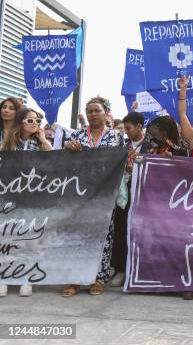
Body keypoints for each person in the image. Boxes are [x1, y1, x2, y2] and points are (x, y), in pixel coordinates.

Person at [62, 96, 126, 297]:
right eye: (89, 111)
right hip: (80, 194)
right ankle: (75, 280)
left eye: (96, 110)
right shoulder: (77, 136)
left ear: (105, 113)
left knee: (103, 237)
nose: (92, 114)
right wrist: (67, 149)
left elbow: (122, 162)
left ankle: (98, 279)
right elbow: (67, 164)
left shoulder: (116, 137)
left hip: (105, 195)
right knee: (77, 236)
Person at [0, 108, 52, 298]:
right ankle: (3, 277)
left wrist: (42, 137)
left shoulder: (41, 144)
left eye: (37, 120)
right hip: (9, 198)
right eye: (29, 120)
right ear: (20, 122)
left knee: (30, 238)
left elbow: (54, 161)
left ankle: (26, 278)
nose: (34, 123)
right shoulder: (8, 144)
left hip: (33, 199)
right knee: (6, 237)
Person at [110, 112, 146, 288]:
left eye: (128, 128)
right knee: (120, 229)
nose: (126, 132)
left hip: (142, 195)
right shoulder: (122, 145)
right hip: (122, 194)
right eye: (124, 129)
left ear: (139, 127)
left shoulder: (151, 145)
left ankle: (137, 270)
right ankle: (120, 270)